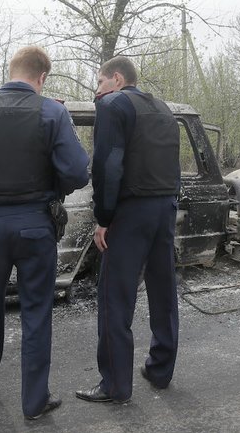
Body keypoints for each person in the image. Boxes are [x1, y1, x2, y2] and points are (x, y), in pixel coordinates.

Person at [0, 45, 90, 420]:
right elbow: (77, 172)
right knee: (37, 311)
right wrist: (53, 186)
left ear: (10, 71)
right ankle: (34, 401)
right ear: (42, 78)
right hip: (35, 225)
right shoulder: (52, 111)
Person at [76, 56, 181, 404]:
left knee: (114, 297)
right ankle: (159, 370)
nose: (97, 91)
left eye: (99, 83)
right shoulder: (164, 109)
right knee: (163, 290)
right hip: (165, 209)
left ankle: (115, 385)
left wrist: (103, 218)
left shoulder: (113, 104)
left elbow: (108, 165)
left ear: (116, 79)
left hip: (131, 213)